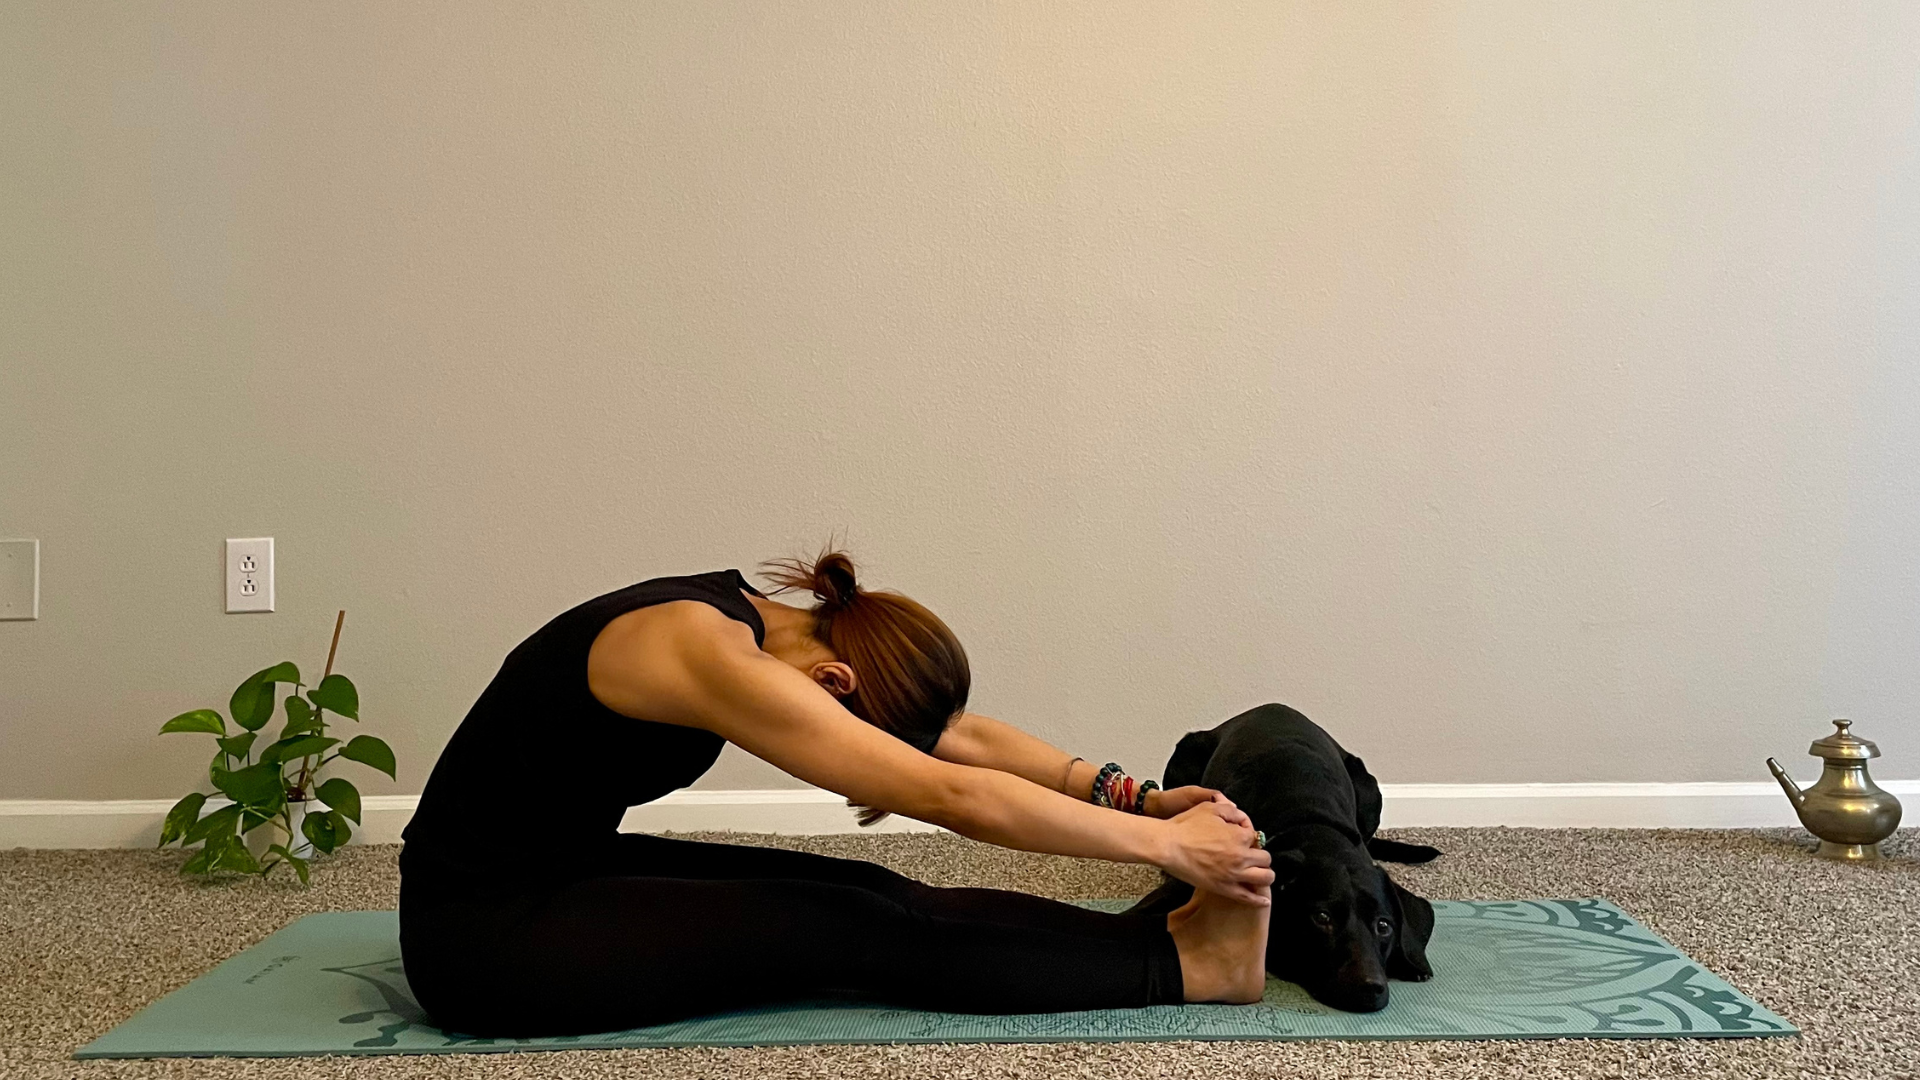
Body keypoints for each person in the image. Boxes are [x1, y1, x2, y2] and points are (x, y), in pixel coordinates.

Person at [398, 549, 1274, 1037]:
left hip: (564, 872)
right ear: (836, 677)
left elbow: (957, 737)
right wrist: (1168, 852)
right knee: (852, 932)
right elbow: (949, 793)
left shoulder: (754, 614)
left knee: (869, 889)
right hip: (481, 940)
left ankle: (1160, 941)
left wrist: (1137, 800)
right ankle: (1192, 969)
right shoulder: (704, 651)